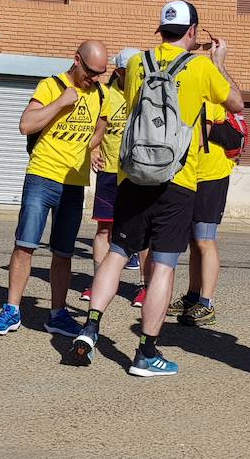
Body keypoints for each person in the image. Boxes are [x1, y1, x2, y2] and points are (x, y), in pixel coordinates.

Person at [70, 0, 243, 374]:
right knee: (163, 265)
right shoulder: (200, 66)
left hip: (133, 175)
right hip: (177, 178)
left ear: (160, 30)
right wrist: (219, 61)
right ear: (193, 31)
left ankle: (90, 327)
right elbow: (237, 103)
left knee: (117, 252)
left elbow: (133, 103)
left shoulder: (137, 63)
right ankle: (146, 353)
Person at [0, 40, 109, 337]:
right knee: (25, 245)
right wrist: (60, 103)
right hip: (42, 176)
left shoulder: (101, 94)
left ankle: (57, 314)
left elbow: (98, 132)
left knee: (63, 252)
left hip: (74, 183)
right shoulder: (50, 86)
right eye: (91, 71)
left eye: (101, 73)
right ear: (76, 59)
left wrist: (92, 151)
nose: (94, 79)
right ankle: (12, 310)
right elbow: (25, 125)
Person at [82, 48, 148, 305]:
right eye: (129, 71)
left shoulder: (145, 94)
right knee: (104, 230)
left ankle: (145, 286)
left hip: (138, 174)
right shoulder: (106, 95)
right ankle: (99, 281)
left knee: (142, 234)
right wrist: (92, 151)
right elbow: (94, 128)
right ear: (119, 71)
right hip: (110, 172)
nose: (134, 75)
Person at [166, 102, 236, 326]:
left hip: (211, 175)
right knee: (194, 240)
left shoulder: (209, 97)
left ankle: (206, 304)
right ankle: (193, 297)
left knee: (205, 239)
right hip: (191, 175)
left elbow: (198, 139)